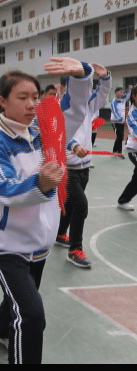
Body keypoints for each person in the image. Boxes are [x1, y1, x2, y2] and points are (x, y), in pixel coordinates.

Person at [0, 58, 93, 364]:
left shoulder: (45, 132)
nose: (32, 104)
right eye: (22, 97)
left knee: (19, 298)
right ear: (2, 102)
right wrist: (40, 183)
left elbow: (74, 110)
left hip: (39, 244)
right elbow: (2, 189)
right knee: (31, 315)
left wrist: (81, 75)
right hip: (6, 246)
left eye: (35, 96)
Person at [55, 64, 111, 269]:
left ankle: (60, 233)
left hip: (84, 167)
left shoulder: (88, 105)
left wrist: (105, 79)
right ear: (66, 88)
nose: (87, 90)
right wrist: (73, 145)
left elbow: (102, 94)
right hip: (67, 167)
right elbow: (59, 133)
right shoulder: (62, 106)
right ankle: (74, 249)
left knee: (70, 205)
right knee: (81, 205)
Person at [117, 86, 137, 211]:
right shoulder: (131, 113)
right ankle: (123, 200)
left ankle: (123, 200)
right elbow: (135, 130)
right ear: (134, 96)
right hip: (134, 150)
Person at [110, 86, 131, 158]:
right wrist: (120, 118)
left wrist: (130, 89)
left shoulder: (123, 99)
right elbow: (114, 111)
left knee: (120, 137)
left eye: (122, 92)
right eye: (120, 92)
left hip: (121, 122)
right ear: (116, 92)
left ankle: (115, 152)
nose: (122, 93)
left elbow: (128, 95)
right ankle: (119, 152)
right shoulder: (113, 101)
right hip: (115, 122)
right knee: (119, 136)